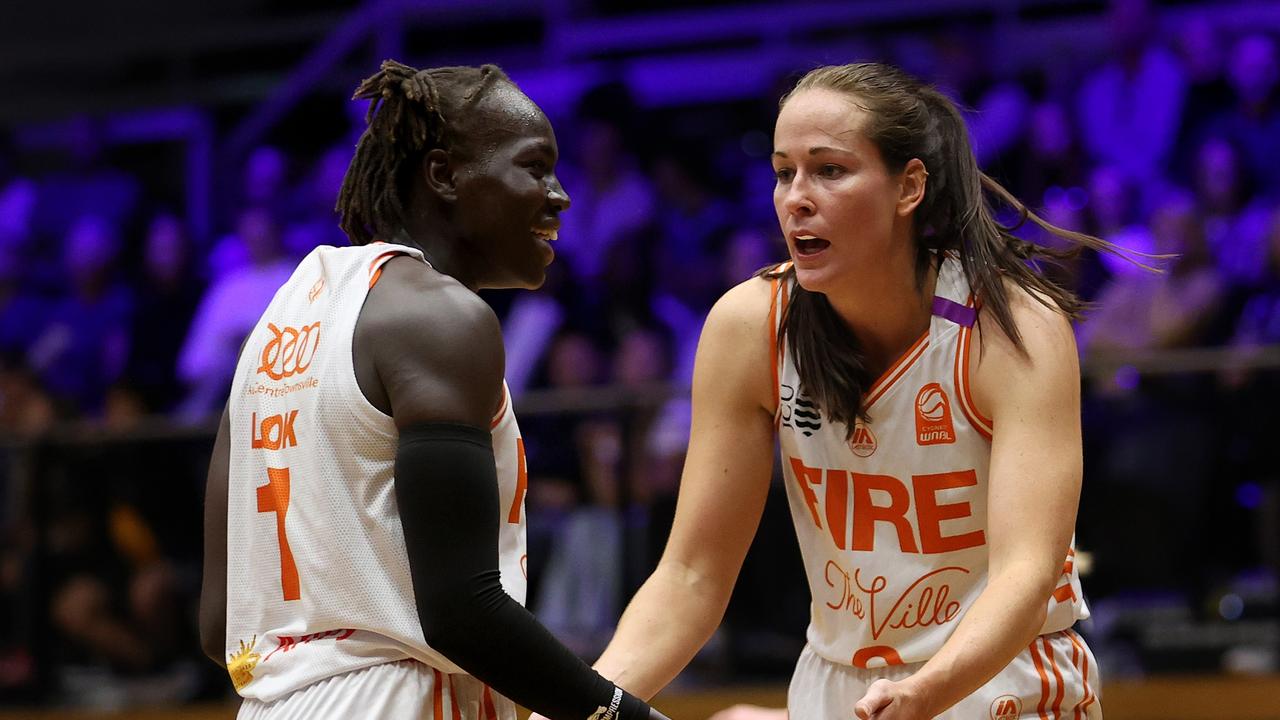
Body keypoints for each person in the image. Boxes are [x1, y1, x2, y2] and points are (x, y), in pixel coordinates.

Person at [580, 63, 1119, 719]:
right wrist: (586, 704)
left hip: (1002, 680)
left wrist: (923, 694)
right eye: (784, 172)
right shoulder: (750, 325)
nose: (795, 198)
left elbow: (1026, 576)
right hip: (841, 686)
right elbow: (691, 576)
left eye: (829, 170)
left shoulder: (1011, 328)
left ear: (908, 187)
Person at [199, 60, 668, 720]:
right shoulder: (440, 317)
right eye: (534, 167)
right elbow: (462, 614)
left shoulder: (281, 320)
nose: (560, 194)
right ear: (445, 176)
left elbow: (221, 622)